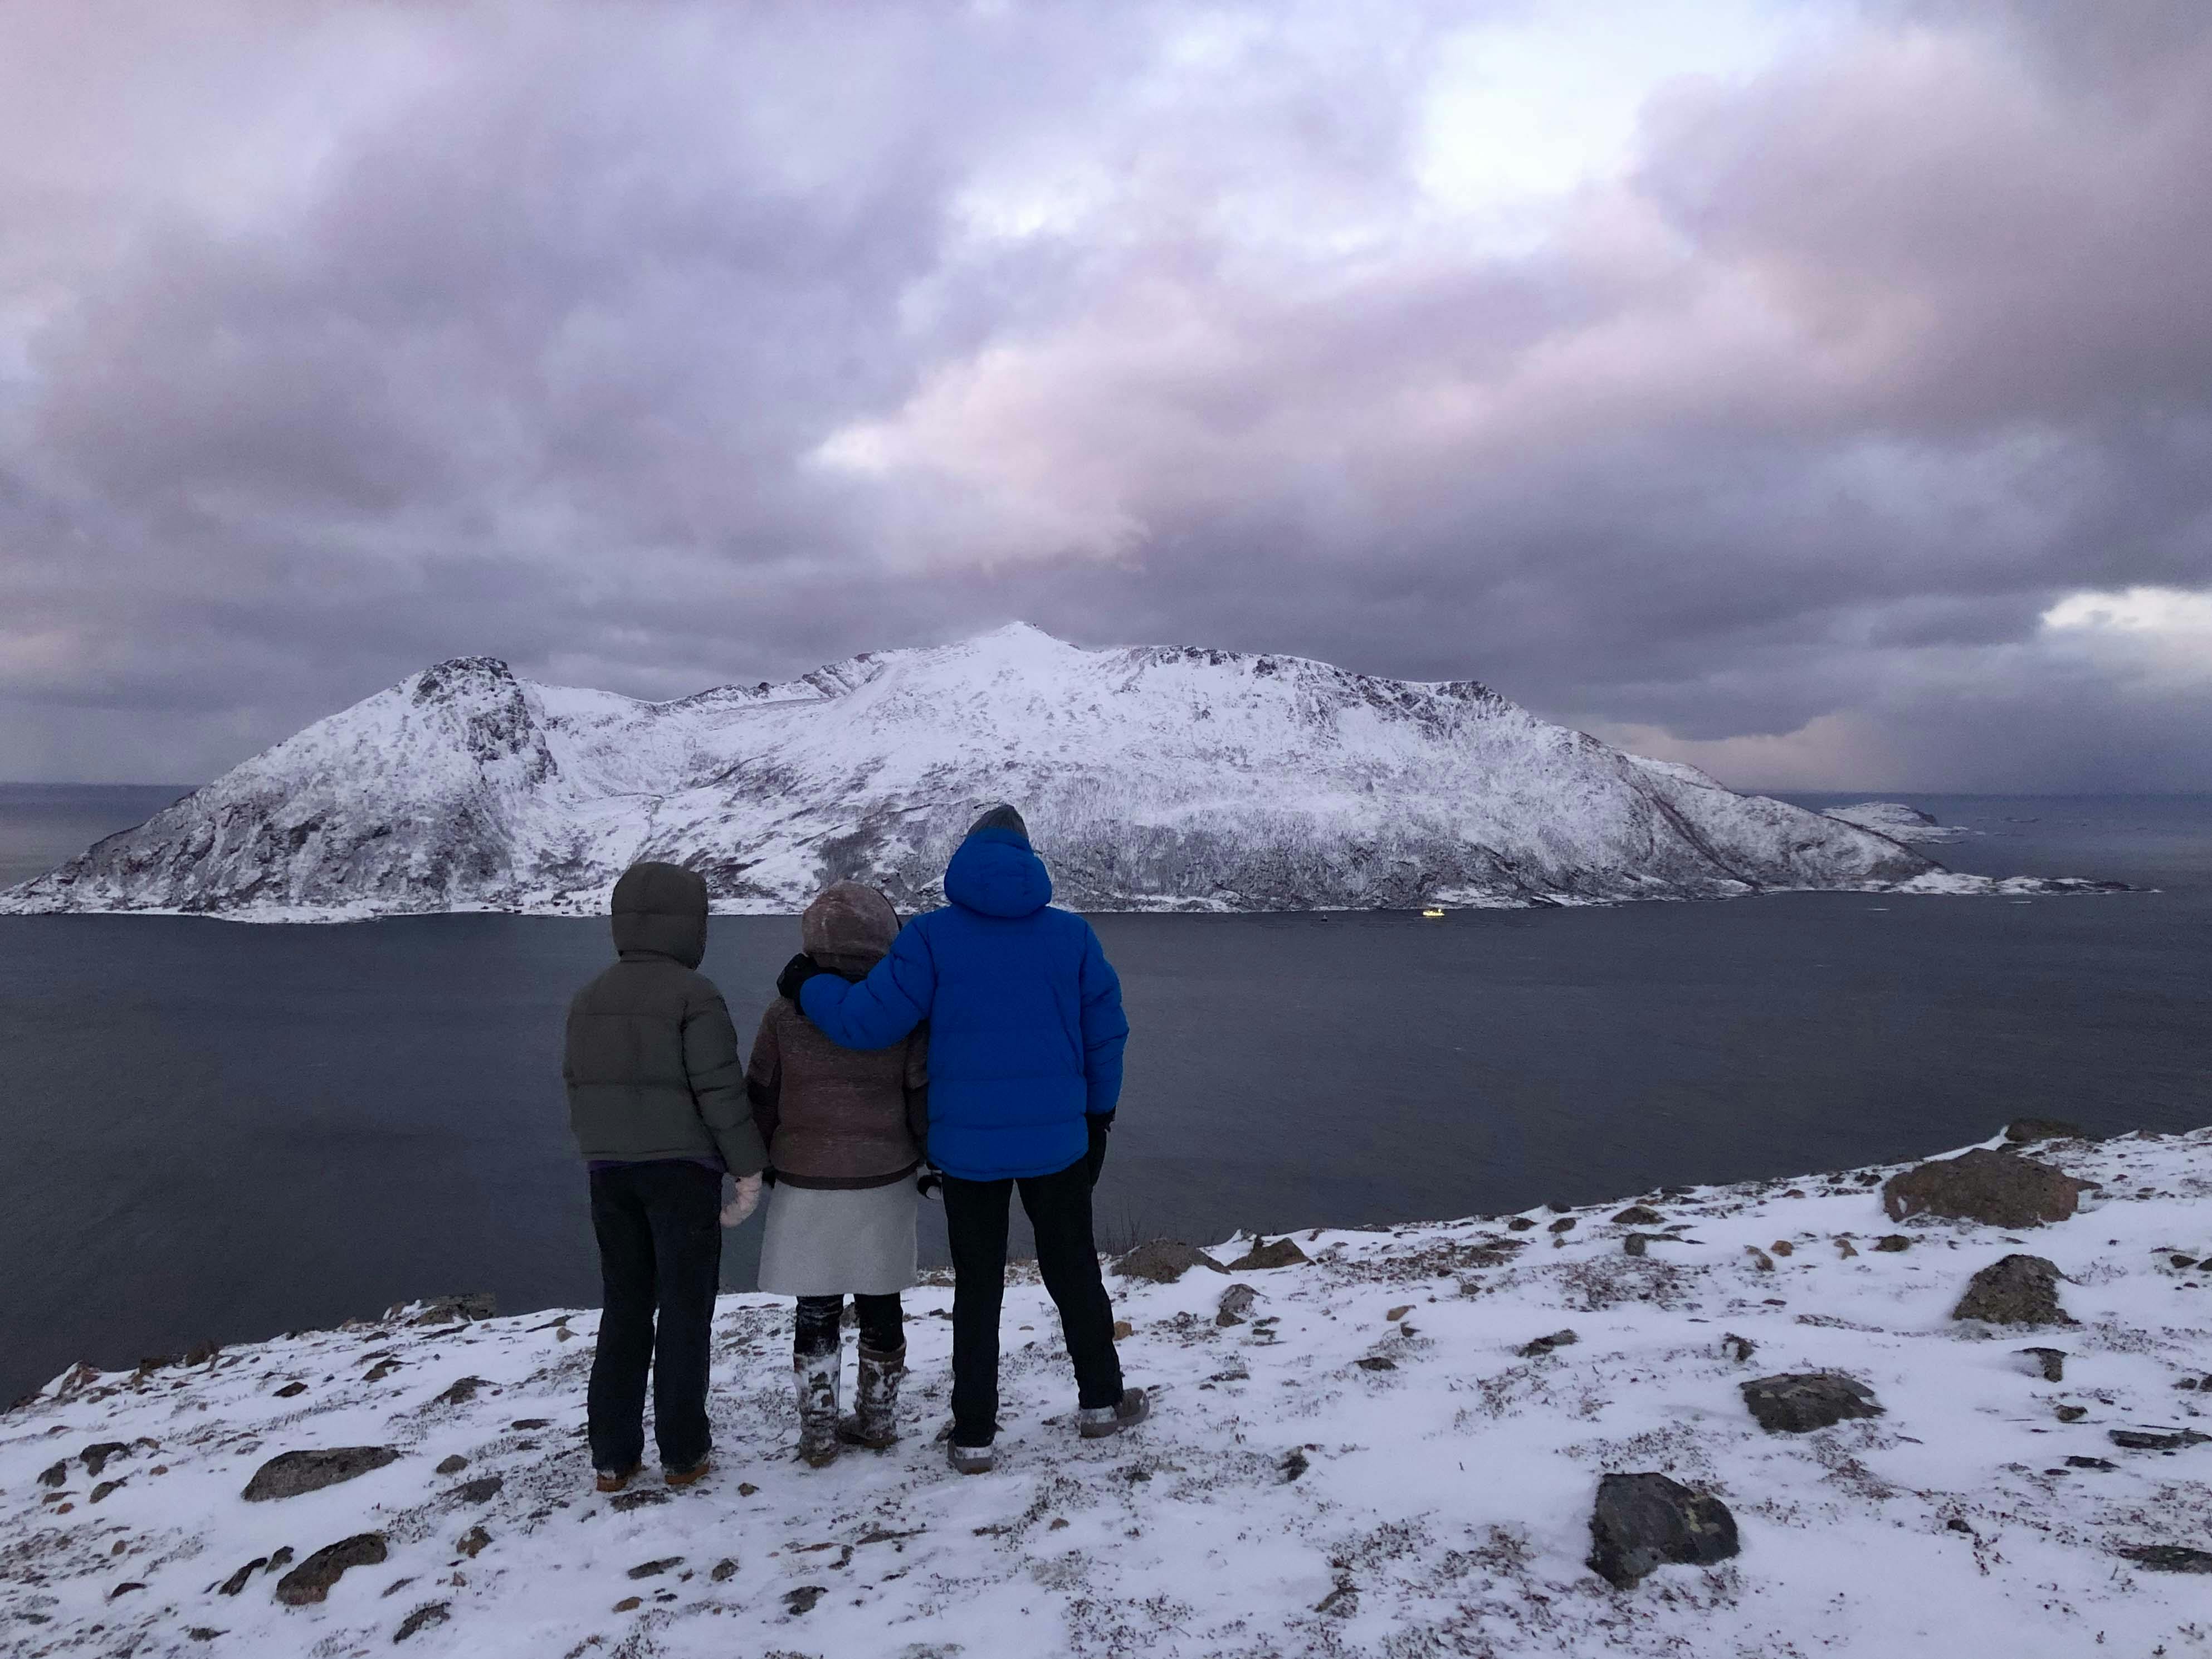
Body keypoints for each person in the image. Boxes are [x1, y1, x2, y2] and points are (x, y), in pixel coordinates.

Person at [777, 804, 1142, 1475]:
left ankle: (974, 1434)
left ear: (965, 859)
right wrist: (1099, 1117)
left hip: (968, 1152)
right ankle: (1100, 1401)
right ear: (1028, 860)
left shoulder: (930, 938)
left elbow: (865, 1023)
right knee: (1073, 1271)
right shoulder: (1072, 936)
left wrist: (808, 985)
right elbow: (1106, 1035)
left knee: (977, 1287)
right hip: (1059, 1143)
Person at [563, 861, 765, 1493]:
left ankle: (612, 1456)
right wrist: (747, 1167)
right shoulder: (694, 995)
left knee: (624, 1306)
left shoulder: (588, 996)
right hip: (682, 1174)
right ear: (690, 924)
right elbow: (720, 1092)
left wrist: (601, 1149)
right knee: (683, 1309)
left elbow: (578, 1087)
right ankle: (683, 1452)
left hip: (609, 1173)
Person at [749, 881, 930, 1467]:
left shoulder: (783, 1014)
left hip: (805, 1177)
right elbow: (921, 1097)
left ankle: (818, 1434)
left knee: (816, 1306)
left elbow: (761, 1096)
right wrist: (933, 1159)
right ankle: (878, 1419)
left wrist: (759, 1160)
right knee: (881, 1300)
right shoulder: (905, 1012)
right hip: (885, 1174)